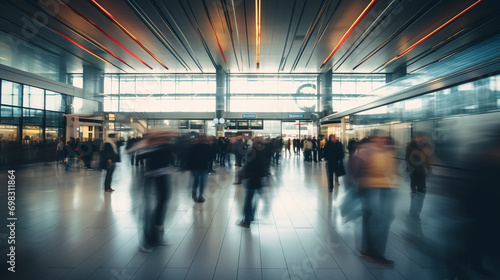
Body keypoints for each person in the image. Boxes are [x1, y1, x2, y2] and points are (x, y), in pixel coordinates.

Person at [352, 132, 398, 266]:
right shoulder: (366, 151)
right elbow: (355, 168)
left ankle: (369, 250)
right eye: (379, 138)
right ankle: (374, 252)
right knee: (375, 220)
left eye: (383, 139)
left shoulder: (388, 152)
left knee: (379, 219)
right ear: (373, 139)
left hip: (385, 189)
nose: (381, 141)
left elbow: (392, 171)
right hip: (370, 188)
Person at [128, 129, 176, 252]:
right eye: (164, 134)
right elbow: (134, 152)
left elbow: (173, 154)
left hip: (163, 176)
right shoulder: (150, 145)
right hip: (150, 178)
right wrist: (144, 145)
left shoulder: (165, 145)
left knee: (163, 203)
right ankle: (147, 241)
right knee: (148, 210)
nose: (167, 136)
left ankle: (158, 236)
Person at [239, 137, 268, 228]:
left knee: (248, 200)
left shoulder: (252, 152)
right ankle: (251, 217)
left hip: (251, 178)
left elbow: (248, 164)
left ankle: (247, 220)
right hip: (259, 178)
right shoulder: (263, 151)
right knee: (254, 199)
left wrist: (244, 175)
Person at [405, 134, 432, 220]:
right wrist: (409, 170)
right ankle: (413, 210)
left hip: (422, 172)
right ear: (416, 138)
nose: (421, 139)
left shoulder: (426, 147)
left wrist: (429, 168)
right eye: (419, 137)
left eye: (422, 137)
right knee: (414, 193)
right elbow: (407, 159)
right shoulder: (410, 147)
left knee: (421, 192)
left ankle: (417, 211)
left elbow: (427, 158)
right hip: (413, 173)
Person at [187, 136, 212, 202]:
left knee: (196, 181)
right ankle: (201, 195)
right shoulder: (207, 147)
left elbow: (189, 157)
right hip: (204, 167)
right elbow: (210, 157)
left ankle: (194, 193)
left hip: (195, 167)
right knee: (202, 182)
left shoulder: (193, 147)